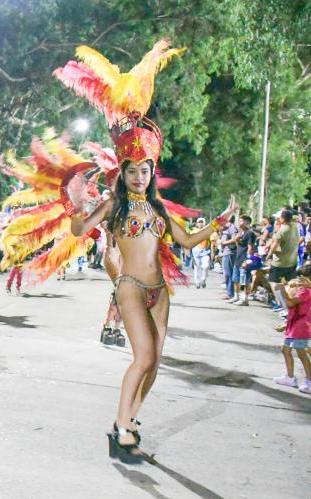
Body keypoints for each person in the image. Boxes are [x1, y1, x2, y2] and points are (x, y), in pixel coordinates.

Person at [58, 38, 235, 463]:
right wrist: (74, 201)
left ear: (152, 172)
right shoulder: (114, 204)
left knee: (155, 363)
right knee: (143, 357)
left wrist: (219, 222)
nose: (139, 176)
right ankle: (121, 426)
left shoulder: (156, 208)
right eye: (133, 170)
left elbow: (188, 241)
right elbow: (81, 228)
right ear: (124, 171)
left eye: (146, 170)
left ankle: (131, 419)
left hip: (159, 292)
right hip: (131, 288)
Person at [272, 265, 311, 394]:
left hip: (300, 327)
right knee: (286, 349)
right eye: (299, 277)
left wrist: (282, 289)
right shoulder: (303, 289)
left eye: (302, 278)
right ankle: (290, 377)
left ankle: (309, 381)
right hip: (294, 324)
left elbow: (290, 303)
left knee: (301, 353)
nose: (299, 280)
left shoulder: (306, 292)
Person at [190, 218, 212, 288]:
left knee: (205, 266)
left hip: (205, 251)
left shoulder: (207, 231)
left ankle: (203, 280)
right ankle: (197, 282)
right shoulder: (193, 232)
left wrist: (212, 251)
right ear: (196, 223)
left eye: (202, 222)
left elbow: (211, 242)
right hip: (196, 251)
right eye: (199, 222)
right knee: (196, 268)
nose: (200, 223)